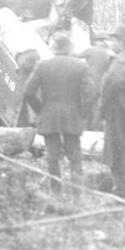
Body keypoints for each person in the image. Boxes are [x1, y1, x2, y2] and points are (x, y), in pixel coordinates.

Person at [23, 32, 97, 197]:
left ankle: (56, 195)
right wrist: (82, 111)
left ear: (53, 47)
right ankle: (77, 197)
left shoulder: (42, 65)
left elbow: (28, 91)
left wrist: (41, 109)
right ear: (69, 47)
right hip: (72, 116)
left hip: (49, 116)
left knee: (52, 157)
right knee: (75, 158)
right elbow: (92, 91)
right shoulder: (80, 66)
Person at [100, 25, 125, 198]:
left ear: (123, 43)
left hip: (117, 113)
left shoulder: (121, 62)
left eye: (114, 40)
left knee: (116, 153)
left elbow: (112, 85)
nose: (110, 43)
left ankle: (121, 192)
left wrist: (102, 110)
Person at [76, 33, 114, 130]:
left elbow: (76, 56)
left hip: (90, 82)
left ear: (96, 41)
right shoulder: (108, 53)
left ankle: (86, 126)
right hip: (102, 83)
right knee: (97, 105)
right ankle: (95, 127)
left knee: (87, 104)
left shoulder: (91, 50)